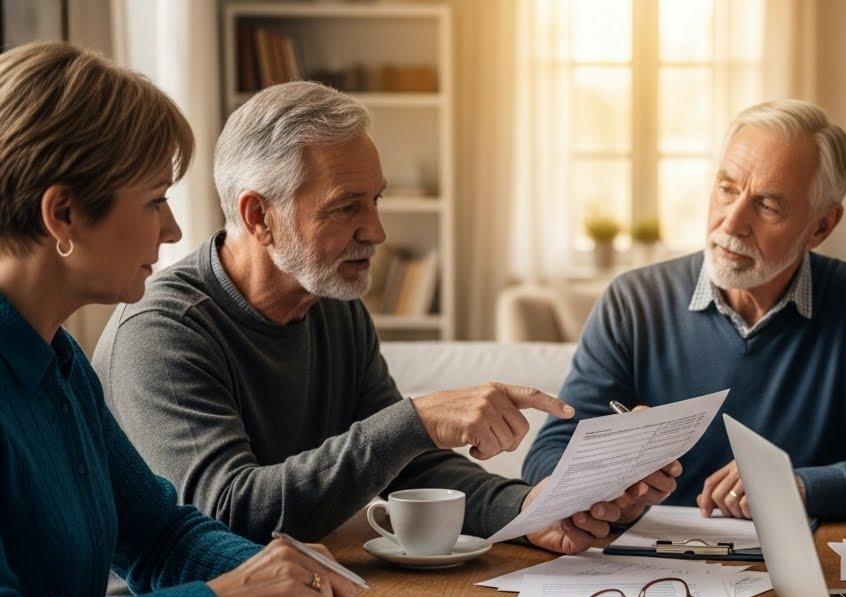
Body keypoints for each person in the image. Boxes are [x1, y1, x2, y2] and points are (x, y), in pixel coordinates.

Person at [94, 82, 677, 554]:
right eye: (347, 207)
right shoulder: (162, 332)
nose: (377, 231)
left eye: (375, 200)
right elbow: (226, 519)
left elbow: (406, 469)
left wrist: (529, 510)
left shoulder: (333, 307)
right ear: (258, 216)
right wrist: (414, 419)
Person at [0, 42, 376, 597]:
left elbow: (156, 532)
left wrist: (273, 573)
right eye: (152, 201)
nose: (173, 231)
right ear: (62, 216)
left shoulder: (59, 363)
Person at [523, 99, 846, 522]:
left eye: (767, 205)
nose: (732, 222)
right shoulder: (633, 300)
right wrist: (609, 469)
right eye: (727, 189)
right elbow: (546, 457)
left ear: (821, 226)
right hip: (646, 568)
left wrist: (795, 487)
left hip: (800, 565)